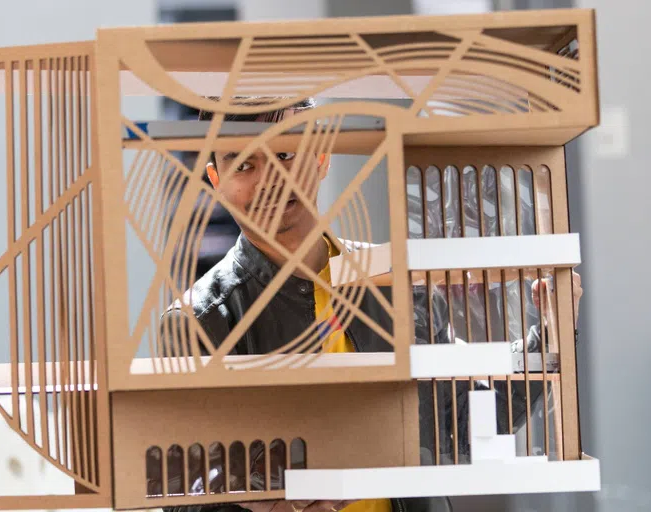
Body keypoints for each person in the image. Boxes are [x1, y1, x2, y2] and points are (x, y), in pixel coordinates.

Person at [160, 97, 582, 512]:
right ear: (215, 179)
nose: (269, 179)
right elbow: (182, 493)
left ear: (322, 157)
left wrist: (548, 334)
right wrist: (273, 503)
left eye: (286, 153)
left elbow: (459, 422)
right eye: (244, 164)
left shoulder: (392, 281)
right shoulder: (198, 321)